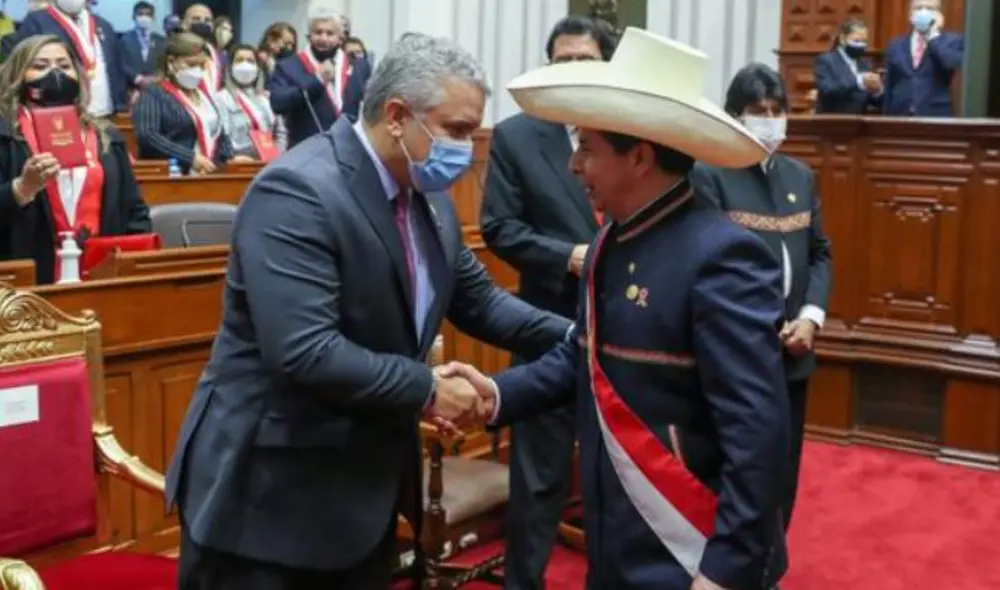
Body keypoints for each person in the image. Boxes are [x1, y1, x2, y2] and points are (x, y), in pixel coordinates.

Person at [165, 32, 571, 590]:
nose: (467, 146)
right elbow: (305, 352)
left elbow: (482, 304)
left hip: (361, 493)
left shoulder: (427, 197)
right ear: (398, 115)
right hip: (267, 503)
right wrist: (429, 389)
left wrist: (588, 332)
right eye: (455, 130)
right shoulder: (298, 191)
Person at [442, 28, 790, 590]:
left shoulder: (723, 256)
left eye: (587, 149)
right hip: (620, 544)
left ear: (641, 158)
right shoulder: (610, 241)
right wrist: (498, 394)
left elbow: (757, 432)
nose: (575, 165)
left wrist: (726, 569)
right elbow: (583, 357)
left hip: (691, 551)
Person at [479, 15, 615, 590]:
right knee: (536, 476)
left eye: (586, 61)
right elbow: (499, 229)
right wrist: (570, 256)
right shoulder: (516, 135)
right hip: (548, 323)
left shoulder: (632, 130)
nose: (573, 72)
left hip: (630, 325)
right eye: (562, 62)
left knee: (617, 474)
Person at [690, 62, 832, 537]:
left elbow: (820, 254)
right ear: (734, 115)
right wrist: (762, 325)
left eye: (777, 110)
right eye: (757, 110)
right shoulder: (710, 176)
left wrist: (810, 319)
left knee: (784, 471)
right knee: (738, 469)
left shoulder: (800, 176)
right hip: (737, 353)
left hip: (795, 350)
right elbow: (710, 267)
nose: (769, 120)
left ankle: (771, 566)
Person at [0, 35, 150, 284]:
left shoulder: (106, 135)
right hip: (26, 276)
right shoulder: (5, 134)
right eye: (40, 66)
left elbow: (133, 208)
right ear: (18, 75)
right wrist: (21, 189)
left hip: (99, 272)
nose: (54, 73)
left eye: (63, 65)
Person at [132, 32, 241, 174]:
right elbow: (148, 136)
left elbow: (218, 133)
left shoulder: (203, 95)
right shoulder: (153, 93)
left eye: (202, 65)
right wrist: (190, 157)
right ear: (171, 62)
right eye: (192, 64)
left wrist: (231, 158)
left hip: (211, 172)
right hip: (174, 175)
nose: (198, 71)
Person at [269, 7, 370, 148]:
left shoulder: (358, 67)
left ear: (341, 38)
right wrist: (317, 81)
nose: (323, 38)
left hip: (348, 152)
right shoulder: (289, 66)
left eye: (330, 33)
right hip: (305, 153)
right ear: (309, 36)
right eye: (318, 32)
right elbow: (277, 103)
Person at [11, 0, 129, 118]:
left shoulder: (103, 25)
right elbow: (23, 65)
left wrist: (121, 104)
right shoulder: (37, 21)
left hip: (105, 111)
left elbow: (117, 68)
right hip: (60, 111)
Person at [883, 0, 964, 117]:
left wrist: (932, 36)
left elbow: (949, 63)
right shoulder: (895, 44)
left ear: (939, 15)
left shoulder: (952, 41)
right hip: (899, 114)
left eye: (930, 8)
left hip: (935, 114)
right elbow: (889, 85)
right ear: (910, 14)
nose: (923, 12)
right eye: (918, 8)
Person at [216, 44, 281, 159]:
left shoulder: (264, 98)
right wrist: (233, 157)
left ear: (258, 67)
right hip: (238, 162)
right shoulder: (221, 98)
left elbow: (278, 132)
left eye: (250, 61)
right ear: (230, 67)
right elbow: (222, 137)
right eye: (239, 60)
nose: (245, 65)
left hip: (267, 160)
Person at [814, 17, 882, 114]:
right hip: (832, 122)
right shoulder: (826, 60)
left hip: (859, 124)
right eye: (856, 41)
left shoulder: (865, 64)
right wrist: (858, 81)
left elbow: (873, 101)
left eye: (864, 41)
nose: (861, 45)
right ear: (842, 39)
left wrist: (878, 90)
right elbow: (827, 90)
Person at [121, 1, 164, 93]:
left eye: (148, 14)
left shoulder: (161, 41)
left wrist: (156, 78)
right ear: (133, 17)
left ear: (153, 18)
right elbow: (121, 64)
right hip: (131, 89)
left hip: (156, 89)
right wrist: (138, 79)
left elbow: (163, 65)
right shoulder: (124, 40)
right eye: (140, 14)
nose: (144, 17)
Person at [181, 3, 223, 92]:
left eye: (207, 20)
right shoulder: (175, 51)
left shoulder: (215, 53)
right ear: (184, 24)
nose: (202, 22)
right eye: (196, 19)